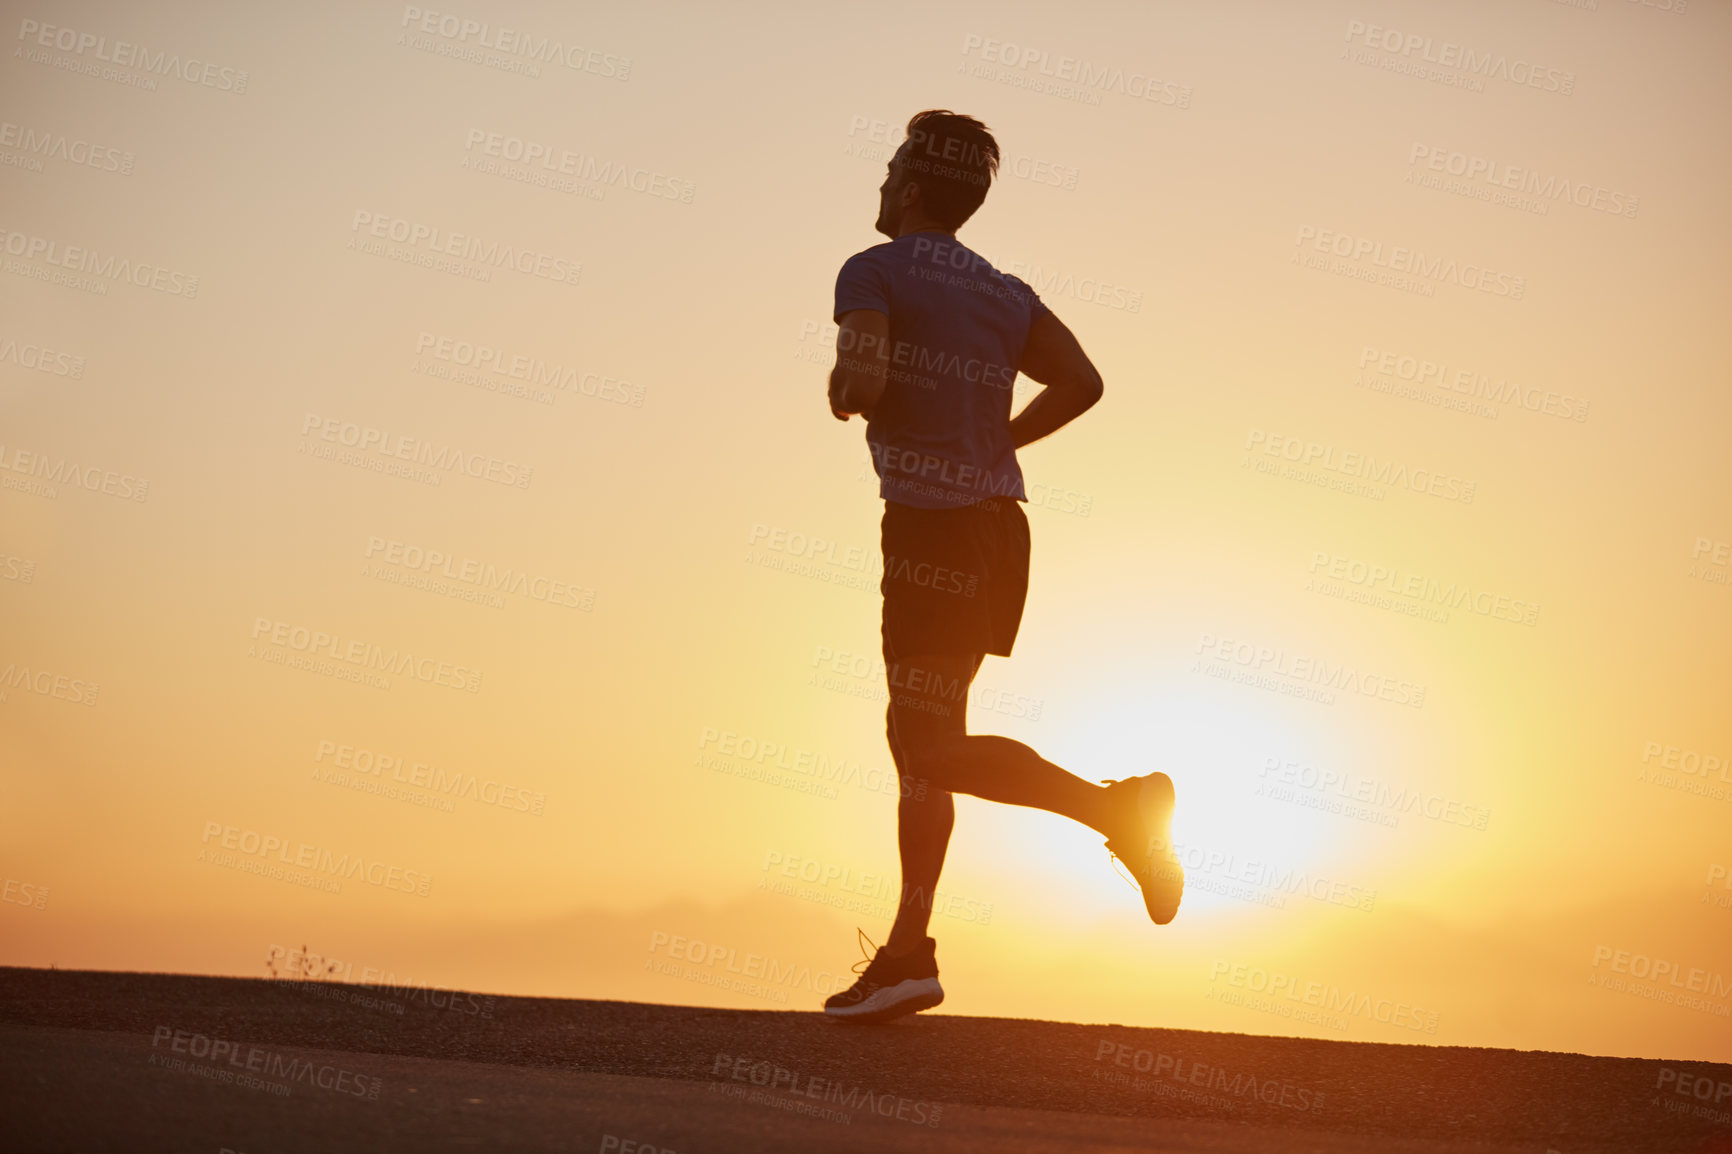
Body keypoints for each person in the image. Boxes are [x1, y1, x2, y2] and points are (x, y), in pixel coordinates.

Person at [821, 110, 1183, 1025]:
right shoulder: (1004, 289)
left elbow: (859, 387)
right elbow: (1084, 382)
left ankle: (1119, 812)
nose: (881, 178)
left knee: (929, 747)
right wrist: (994, 437)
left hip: (931, 531)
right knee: (925, 753)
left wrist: (844, 388)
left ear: (907, 186)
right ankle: (908, 957)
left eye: (890, 163)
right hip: (997, 526)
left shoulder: (872, 271)